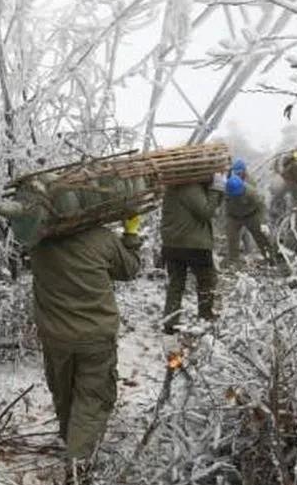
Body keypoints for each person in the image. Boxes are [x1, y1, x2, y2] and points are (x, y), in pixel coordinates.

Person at [30, 215, 141, 467]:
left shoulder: (38, 240)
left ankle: (72, 443)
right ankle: (78, 465)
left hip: (54, 336)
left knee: (63, 393)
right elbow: (130, 269)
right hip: (95, 337)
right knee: (91, 399)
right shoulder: (102, 239)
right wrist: (131, 234)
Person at [160, 174, 225, 333]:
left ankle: (170, 321)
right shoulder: (190, 187)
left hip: (173, 243)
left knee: (176, 283)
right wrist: (216, 188)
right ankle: (205, 318)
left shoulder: (175, 185)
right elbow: (206, 212)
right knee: (207, 280)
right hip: (193, 245)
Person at [224, 158, 274, 264]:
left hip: (251, 215)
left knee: (260, 237)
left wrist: (263, 222)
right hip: (233, 216)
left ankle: (270, 259)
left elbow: (261, 206)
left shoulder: (251, 191)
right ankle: (233, 261)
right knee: (232, 238)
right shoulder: (226, 189)